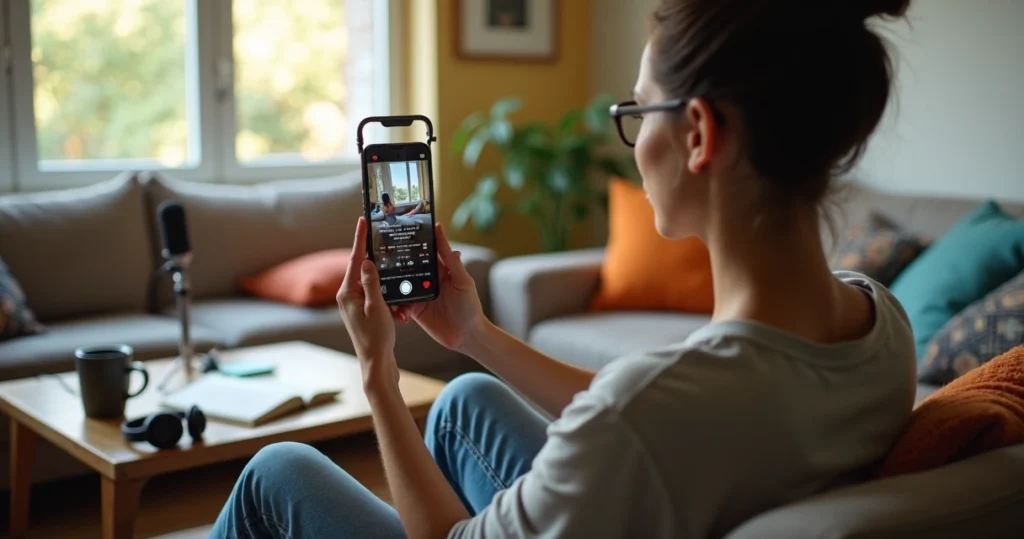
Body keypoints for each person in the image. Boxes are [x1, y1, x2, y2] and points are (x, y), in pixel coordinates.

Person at [211, 0, 917, 537]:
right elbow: (645, 410)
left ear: (698, 134)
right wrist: (473, 333)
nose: (635, 141)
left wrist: (378, 375)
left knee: (278, 472)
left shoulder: (646, 413)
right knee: (465, 400)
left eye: (639, 112)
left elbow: (630, 419)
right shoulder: (882, 325)